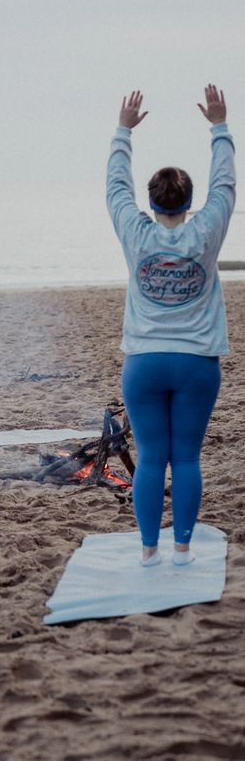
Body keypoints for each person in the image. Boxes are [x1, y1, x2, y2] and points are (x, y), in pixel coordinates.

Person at [107, 86, 236, 567]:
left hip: (143, 363)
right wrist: (219, 127)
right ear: (188, 201)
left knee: (151, 458)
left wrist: (123, 131)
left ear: (152, 202)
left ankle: (148, 552)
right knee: (185, 458)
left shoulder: (135, 233)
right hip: (196, 363)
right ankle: (181, 549)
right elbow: (226, 187)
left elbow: (115, 189)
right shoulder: (205, 232)